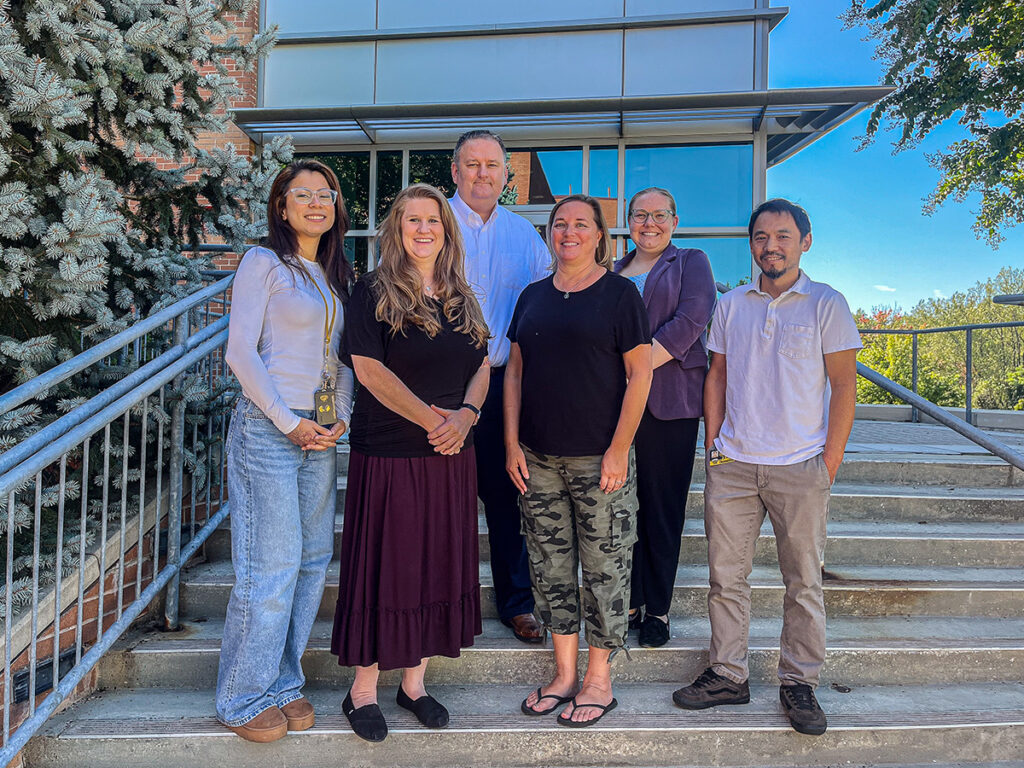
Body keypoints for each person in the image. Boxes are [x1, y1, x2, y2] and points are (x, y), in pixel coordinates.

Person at [672, 198, 861, 736]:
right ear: (751, 244)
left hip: (800, 466)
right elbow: (717, 376)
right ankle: (728, 673)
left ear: (805, 241)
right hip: (734, 465)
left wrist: (830, 460)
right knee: (724, 579)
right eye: (760, 236)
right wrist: (715, 446)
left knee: (803, 581)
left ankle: (799, 682)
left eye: (782, 235)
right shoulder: (732, 303)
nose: (770, 245)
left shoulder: (827, 303)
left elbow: (844, 387)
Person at [331, 184, 490, 742]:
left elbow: (483, 362)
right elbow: (370, 372)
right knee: (389, 571)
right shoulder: (370, 291)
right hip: (392, 455)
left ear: (446, 230)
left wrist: (467, 415)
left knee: (435, 566)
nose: (423, 230)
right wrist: (434, 421)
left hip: (451, 458)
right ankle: (363, 691)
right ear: (395, 230)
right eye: (411, 221)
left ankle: (414, 686)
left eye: (433, 221)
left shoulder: (460, 295)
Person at [218, 160, 355, 742]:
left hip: (319, 433)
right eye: (303, 194)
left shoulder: (331, 276)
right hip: (268, 429)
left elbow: (342, 363)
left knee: (309, 560)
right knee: (269, 564)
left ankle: (282, 682)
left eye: (326, 194)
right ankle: (242, 695)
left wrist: (339, 416)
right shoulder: (262, 262)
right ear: (281, 205)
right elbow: (240, 353)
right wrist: (286, 421)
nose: (317, 202)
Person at [505, 194, 653, 727]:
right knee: (549, 570)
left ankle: (598, 680)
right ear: (551, 234)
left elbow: (642, 375)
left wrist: (619, 449)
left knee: (605, 569)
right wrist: (510, 444)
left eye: (581, 225)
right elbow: (515, 374)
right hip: (538, 459)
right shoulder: (531, 297)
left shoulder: (620, 295)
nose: (569, 232)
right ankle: (564, 675)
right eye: (560, 224)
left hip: (600, 461)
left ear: (599, 236)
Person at [448, 130, 551, 644]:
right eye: (473, 164)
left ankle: (517, 602)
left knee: (508, 501)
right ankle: (450, 602)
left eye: (492, 165)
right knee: (445, 502)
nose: (483, 173)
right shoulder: (431, 224)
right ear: (455, 171)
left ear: (506, 175)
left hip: (501, 388)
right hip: (441, 391)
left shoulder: (525, 237)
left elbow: (547, 309)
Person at [614, 187, 716, 648]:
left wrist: (635, 368)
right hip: (615, 408)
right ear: (628, 221)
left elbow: (691, 321)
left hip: (669, 404)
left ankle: (658, 608)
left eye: (659, 215)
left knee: (662, 509)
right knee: (620, 509)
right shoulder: (613, 270)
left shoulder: (691, 261)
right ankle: (629, 601)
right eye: (640, 215)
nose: (649, 223)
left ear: (674, 220)